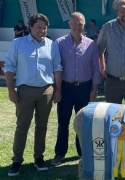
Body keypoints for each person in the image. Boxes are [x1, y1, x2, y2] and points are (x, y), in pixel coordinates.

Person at [4, 13, 62, 176]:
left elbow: (57, 68)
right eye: (38, 27)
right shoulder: (18, 44)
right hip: (25, 92)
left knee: (42, 126)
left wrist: (58, 90)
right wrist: (10, 90)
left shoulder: (52, 45)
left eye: (44, 27)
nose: (42, 30)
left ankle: (39, 158)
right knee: (22, 126)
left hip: (46, 91)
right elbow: (9, 67)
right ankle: (16, 160)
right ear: (30, 27)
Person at [51, 12, 101, 166]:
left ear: (84, 25)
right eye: (74, 23)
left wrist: (94, 89)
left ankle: (83, 153)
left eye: (80, 23)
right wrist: (57, 89)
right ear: (69, 24)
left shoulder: (91, 44)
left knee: (84, 123)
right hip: (65, 88)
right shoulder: (59, 43)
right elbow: (55, 68)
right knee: (63, 122)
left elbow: (95, 68)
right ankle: (60, 153)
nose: (77, 26)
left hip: (84, 89)